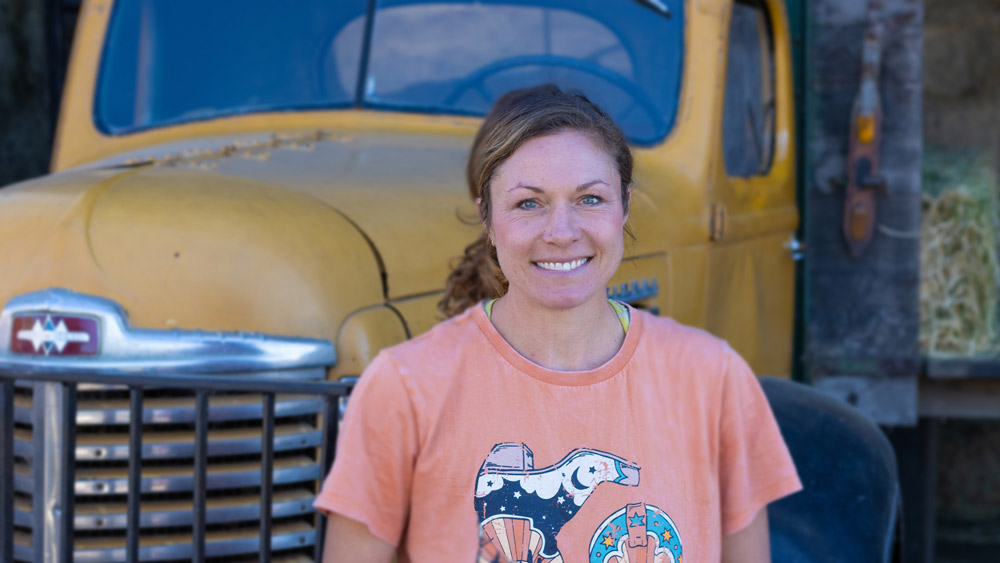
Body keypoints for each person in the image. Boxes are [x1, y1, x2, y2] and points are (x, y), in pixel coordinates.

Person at [315, 84, 801, 563]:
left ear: (625, 207)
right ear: (487, 218)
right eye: (529, 203)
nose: (562, 233)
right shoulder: (404, 388)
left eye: (590, 199)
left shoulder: (713, 379)